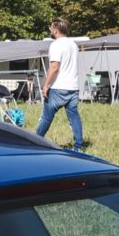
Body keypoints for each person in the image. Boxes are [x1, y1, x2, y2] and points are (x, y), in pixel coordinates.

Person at [35, 18, 88, 149]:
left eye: (51, 28)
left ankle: (35, 142)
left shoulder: (56, 45)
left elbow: (55, 67)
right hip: (73, 88)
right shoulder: (73, 45)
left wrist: (45, 84)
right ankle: (79, 145)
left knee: (46, 117)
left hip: (59, 88)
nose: (50, 30)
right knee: (74, 117)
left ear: (56, 29)